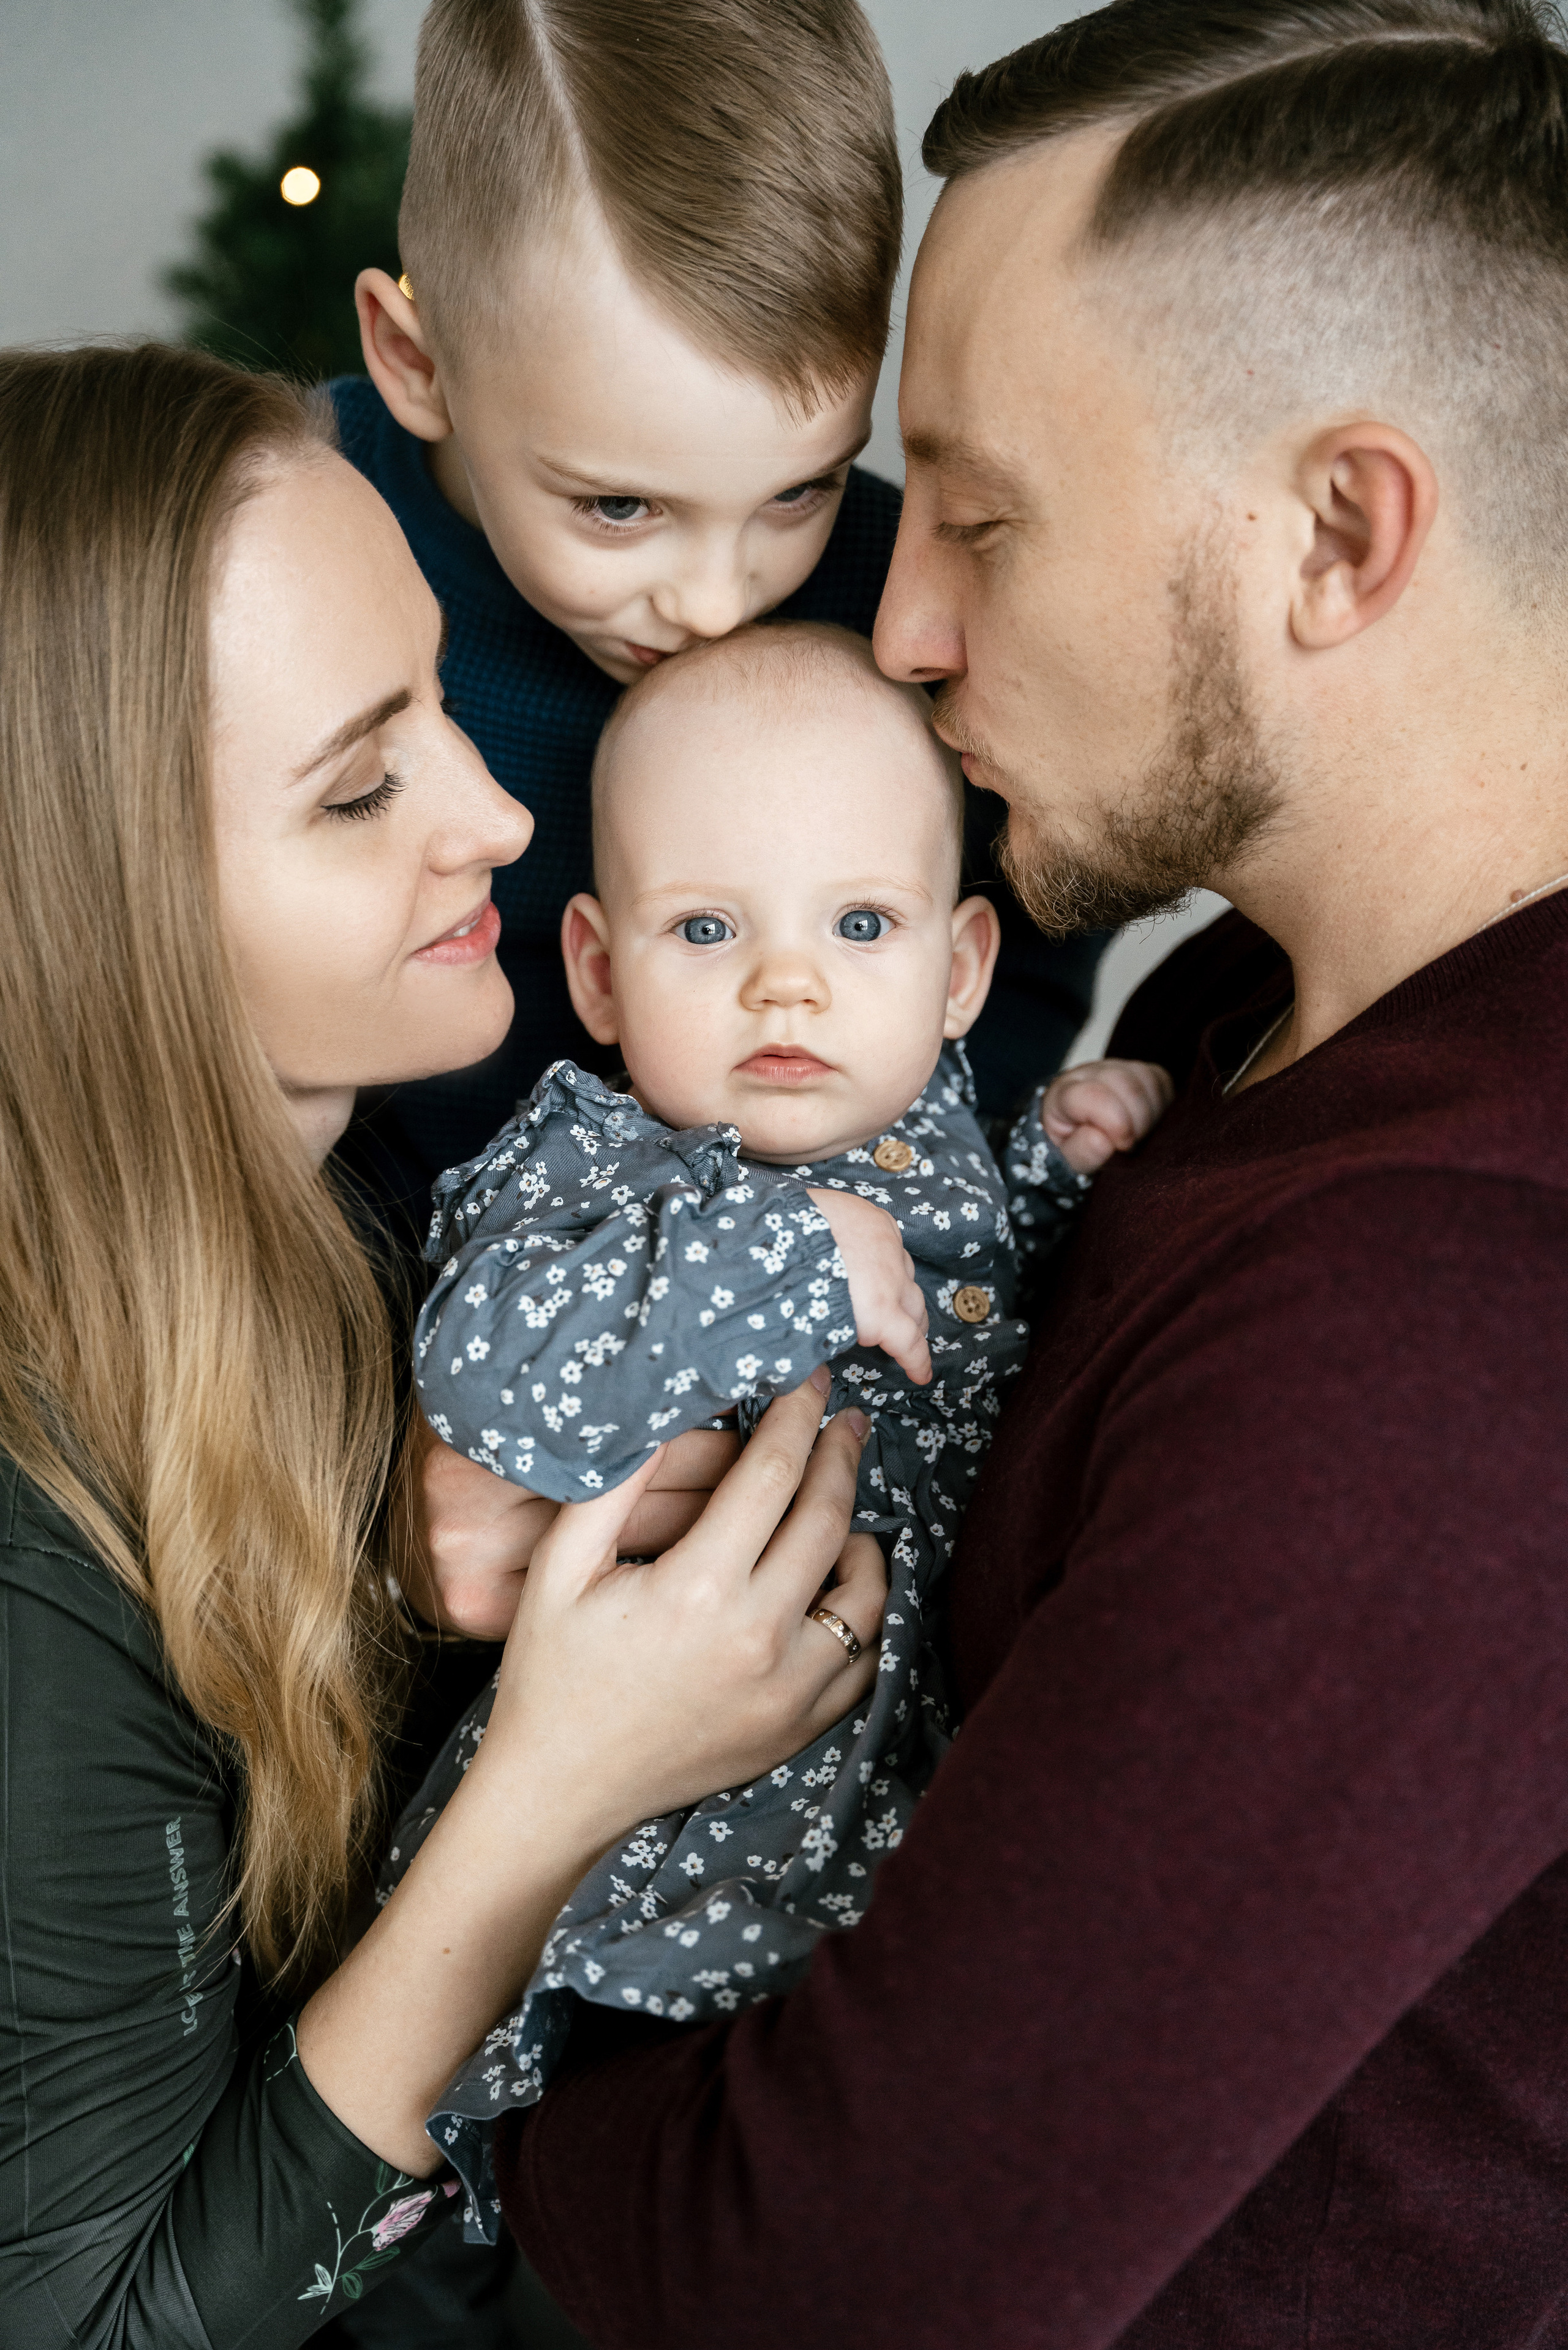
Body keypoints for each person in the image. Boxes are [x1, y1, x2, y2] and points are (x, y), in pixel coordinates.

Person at [451, 3, 1568, 2344]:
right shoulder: (1215, 1027)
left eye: (976, 507)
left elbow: (839, 2274)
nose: (898, 618)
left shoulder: (1454, 1302)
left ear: (1343, 535)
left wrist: (432, 2065)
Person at [0, 342, 895, 2348]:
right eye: (358, 779)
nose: (499, 810)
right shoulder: (28, 1552)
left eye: (430, 691)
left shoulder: (377, 1202)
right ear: (94, 903)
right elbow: (102, 2324)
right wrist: (554, 1791)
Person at [383, 623, 1169, 2232]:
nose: (787, 980)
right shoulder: (598, 1165)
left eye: (859, 922)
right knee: (594, 2203)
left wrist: (1057, 1174)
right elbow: (484, 1372)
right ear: (600, 969)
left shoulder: (940, 1143)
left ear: (958, 972)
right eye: (709, 926)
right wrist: (785, 1258)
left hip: (898, 1844)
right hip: (650, 1861)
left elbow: (977, 1333)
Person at [333, 0, 1105, 1230]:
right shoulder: (294, 543)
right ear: (419, 361)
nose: (712, 602)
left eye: (799, 487)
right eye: (620, 504)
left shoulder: (904, 600)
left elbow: (1028, 917)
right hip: (350, 1273)